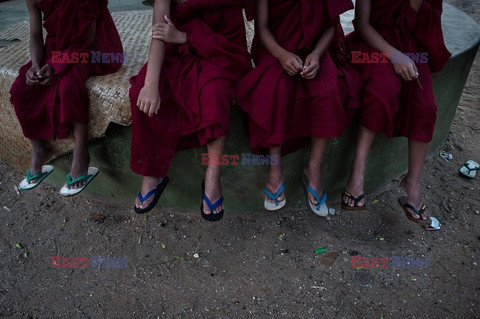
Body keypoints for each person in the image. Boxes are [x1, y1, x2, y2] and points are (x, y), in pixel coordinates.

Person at [129, 0, 252, 220]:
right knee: (141, 90)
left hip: (220, 49)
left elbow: (230, 36)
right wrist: (150, 84)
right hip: (176, 51)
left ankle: (213, 173)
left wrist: (186, 37)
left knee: (215, 92)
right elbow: (159, 32)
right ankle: (151, 171)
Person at [236, 0, 359, 216]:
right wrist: (281, 55)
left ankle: (314, 167)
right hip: (276, 48)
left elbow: (331, 25)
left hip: (315, 50)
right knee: (275, 89)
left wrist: (318, 54)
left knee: (328, 91)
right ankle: (275, 171)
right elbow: (262, 29)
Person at [342, 0, 451, 231]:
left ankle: (412, 183)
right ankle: (357, 170)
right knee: (382, 90)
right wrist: (394, 56)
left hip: (411, 47)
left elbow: (420, 25)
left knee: (425, 106)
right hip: (372, 47)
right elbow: (362, 25)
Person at [11, 0, 123, 196]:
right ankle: (39, 149)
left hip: (99, 51)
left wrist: (55, 65)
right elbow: (36, 36)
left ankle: (81, 153)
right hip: (58, 49)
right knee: (21, 88)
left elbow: (86, 42)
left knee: (68, 85)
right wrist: (36, 65)